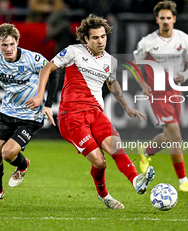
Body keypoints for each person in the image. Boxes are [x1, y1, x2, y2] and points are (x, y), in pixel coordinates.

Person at [26, 14, 155, 209]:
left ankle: (136, 180)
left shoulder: (110, 62)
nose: (100, 41)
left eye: (103, 36)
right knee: (99, 162)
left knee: (115, 146)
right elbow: (46, 70)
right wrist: (40, 96)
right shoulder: (73, 52)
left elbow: (113, 85)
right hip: (72, 117)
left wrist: (126, 107)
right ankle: (104, 195)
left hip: (96, 113)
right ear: (86, 38)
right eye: (95, 37)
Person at [0, 23, 59, 203]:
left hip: (30, 115)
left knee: (8, 154)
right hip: (7, 112)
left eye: (12, 44)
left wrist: (46, 103)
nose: (8, 48)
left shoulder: (32, 58)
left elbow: (53, 74)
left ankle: (23, 165)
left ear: (17, 42)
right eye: (4, 44)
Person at [133, 0, 188, 192]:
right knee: (176, 135)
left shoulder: (183, 39)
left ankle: (145, 153)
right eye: (162, 18)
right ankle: (183, 181)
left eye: (169, 18)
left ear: (174, 19)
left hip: (174, 92)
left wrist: (185, 75)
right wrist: (143, 84)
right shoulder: (148, 42)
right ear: (157, 20)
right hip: (157, 93)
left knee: (169, 136)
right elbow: (135, 66)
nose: (165, 21)